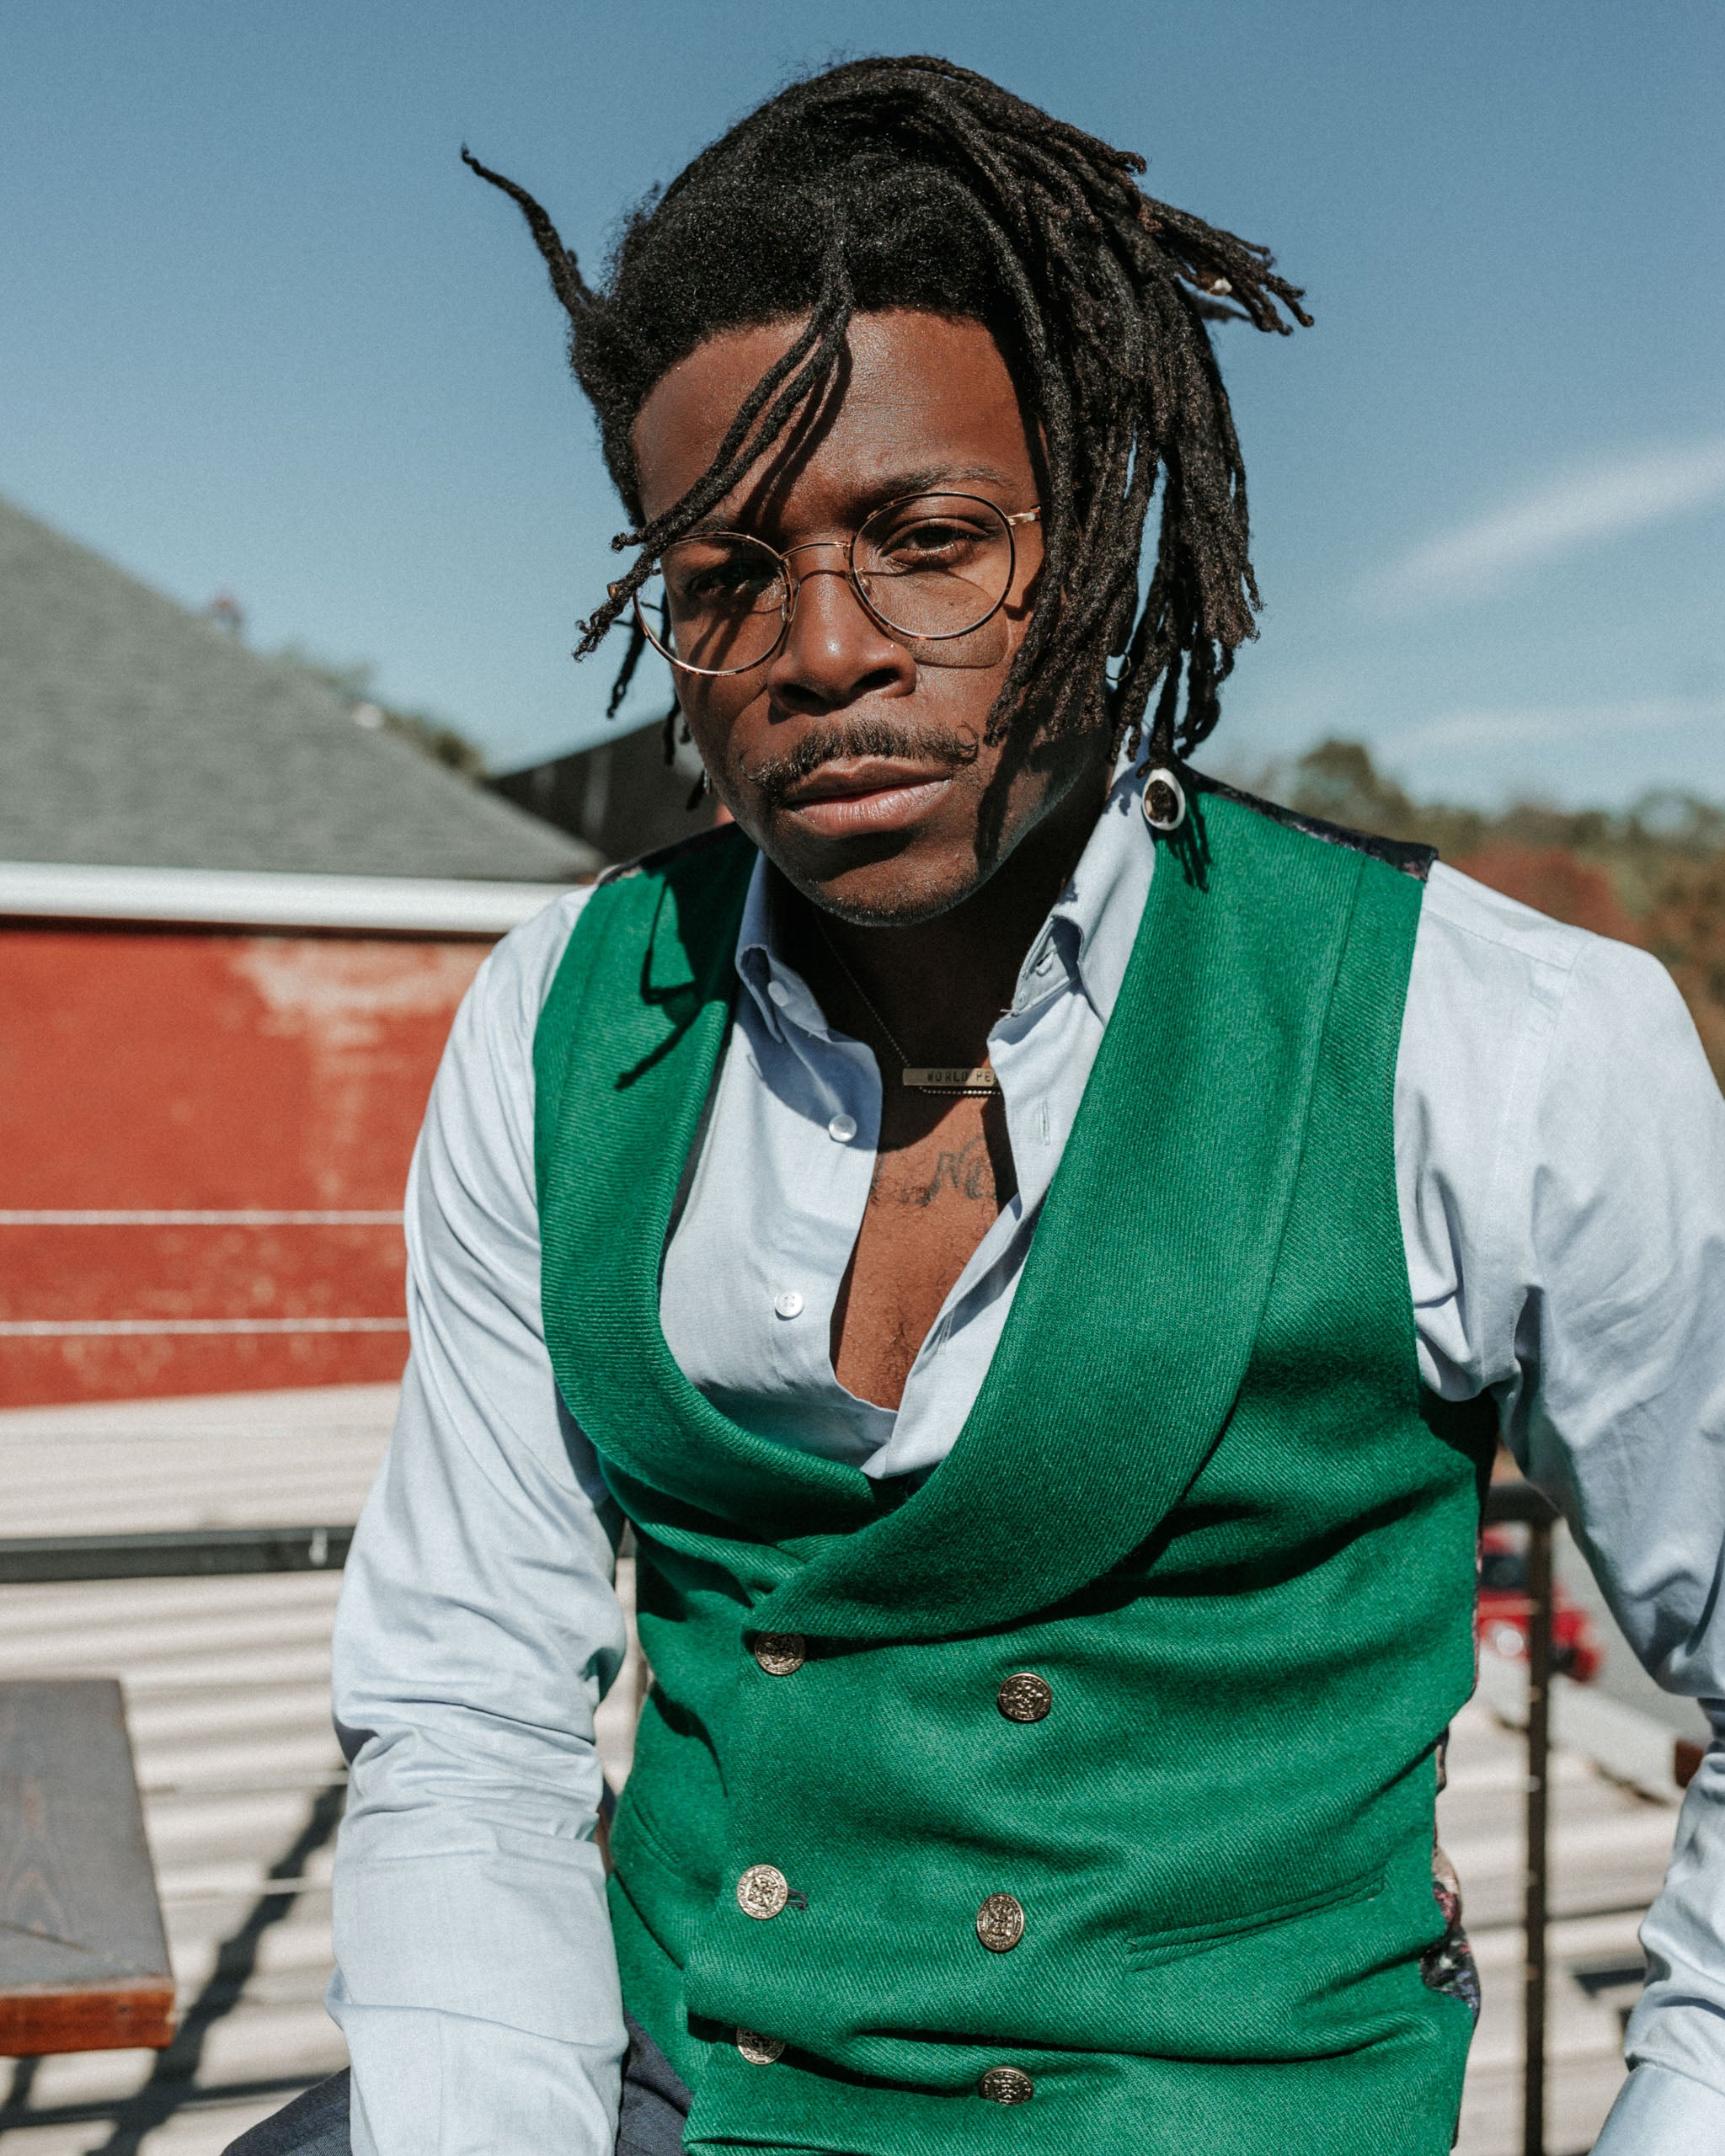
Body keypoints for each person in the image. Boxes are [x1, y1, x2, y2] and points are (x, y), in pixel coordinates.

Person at [230, 54, 1725, 2156]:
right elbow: (467, 1696)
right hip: (668, 2102)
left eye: (924, 539)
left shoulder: (1503, 1042)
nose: (820, 647)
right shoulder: (558, 1017)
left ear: (1098, 524)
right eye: (723, 571)